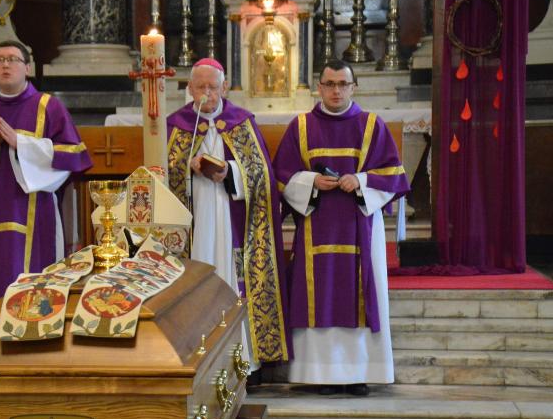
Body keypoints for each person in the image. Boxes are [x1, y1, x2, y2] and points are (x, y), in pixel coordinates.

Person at [273, 59, 409, 396]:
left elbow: (394, 175)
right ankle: (321, 375)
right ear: (319, 87)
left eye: (343, 84)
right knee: (319, 294)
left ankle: (360, 373)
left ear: (353, 87)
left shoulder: (372, 125)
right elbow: (280, 177)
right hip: (315, 227)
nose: (336, 91)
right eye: (330, 84)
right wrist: (311, 181)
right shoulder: (301, 126)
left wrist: (360, 180)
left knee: (359, 292)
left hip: (361, 227)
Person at [0, 40, 92, 310]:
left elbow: (71, 155)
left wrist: (21, 143)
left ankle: (33, 320)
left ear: (28, 68)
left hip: (33, 208)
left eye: (12, 59)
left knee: (32, 287)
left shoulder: (48, 107)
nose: (5, 65)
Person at [167, 58, 289, 367]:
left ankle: (246, 361)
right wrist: (187, 167)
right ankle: (191, 358)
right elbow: (162, 176)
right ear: (190, 88)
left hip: (233, 221)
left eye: (212, 87)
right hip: (194, 222)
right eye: (200, 87)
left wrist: (231, 172)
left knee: (234, 280)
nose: (206, 93)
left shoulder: (241, 123)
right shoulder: (175, 125)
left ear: (224, 88)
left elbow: (262, 176)